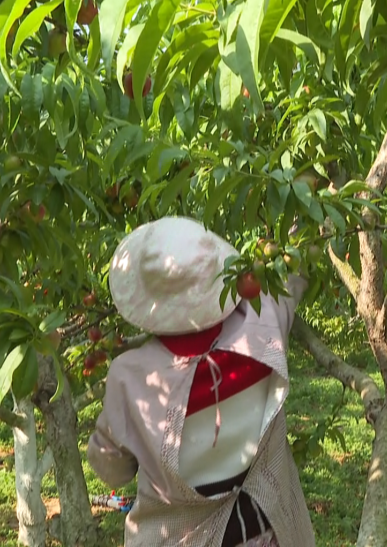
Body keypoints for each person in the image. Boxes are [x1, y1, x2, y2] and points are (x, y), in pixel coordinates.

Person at [86, 216, 317, 547]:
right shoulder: (263, 320)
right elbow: (297, 258)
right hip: (268, 532)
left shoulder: (131, 376)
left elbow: (112, 469)